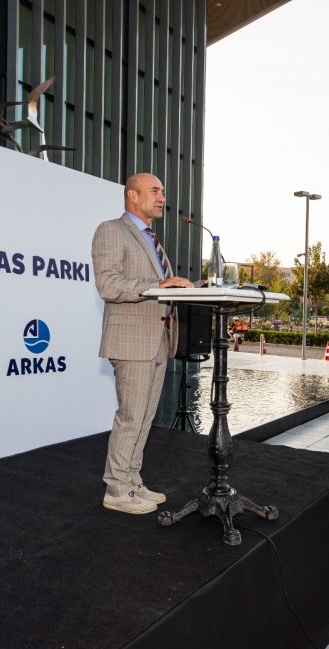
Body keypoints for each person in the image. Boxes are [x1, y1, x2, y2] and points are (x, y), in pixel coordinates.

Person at [91, 173, 193, 514]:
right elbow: (108, 285)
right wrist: (158, 284)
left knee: (145, 417)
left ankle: (132, 481)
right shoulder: (111, 230)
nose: (162, 197)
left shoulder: (151, 239)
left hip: (158, 339)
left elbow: (159, 286)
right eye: (155, 191)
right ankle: (116, 489)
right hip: (131, 340)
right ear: (132, 196)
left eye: (163, 191)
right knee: (131, 417)